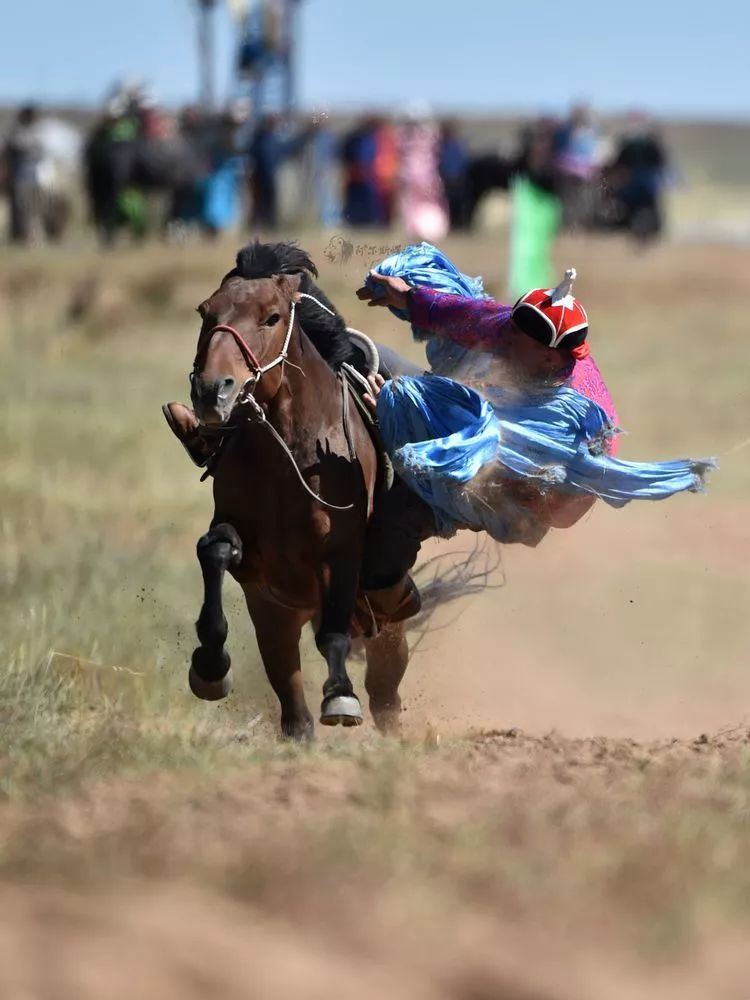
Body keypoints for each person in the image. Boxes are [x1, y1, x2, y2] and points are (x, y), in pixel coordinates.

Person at [2, 105, 44, 244]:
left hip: (33, 176)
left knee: (32, 208)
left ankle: (33, 237)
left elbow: (39, 152)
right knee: (19, 208)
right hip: (18, 176)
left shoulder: (36, 133)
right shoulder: (16, 133)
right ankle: (20, 236)